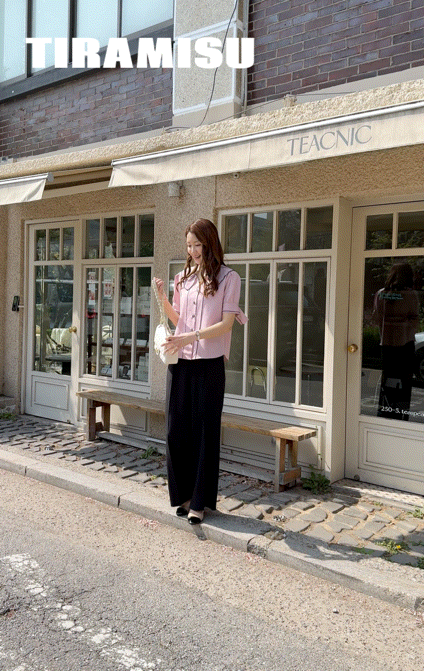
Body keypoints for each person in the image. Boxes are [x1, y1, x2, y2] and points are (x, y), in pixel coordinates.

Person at [154, 219, 247, 524]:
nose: (193, 251)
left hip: (209, 364)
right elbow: (179, 318)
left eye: (198, 244)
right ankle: (182, 495)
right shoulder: (182, 278)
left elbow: (226, 325)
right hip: (180, 362)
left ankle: (199, 502)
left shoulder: (229, 278)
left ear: (210, 243)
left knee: (204, 433)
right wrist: (163, 298)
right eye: (189, 245)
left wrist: (190, 337)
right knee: (175, 430)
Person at [373, 262, 420, 421]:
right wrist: (403, 322)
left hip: (386, 344)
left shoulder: (381, 294)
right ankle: (400, 415)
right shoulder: (411, 295)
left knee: (388, 380)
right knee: (404, 383)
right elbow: (414, 320)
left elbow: (376, 318)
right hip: (405, 344)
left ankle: (386, 411)